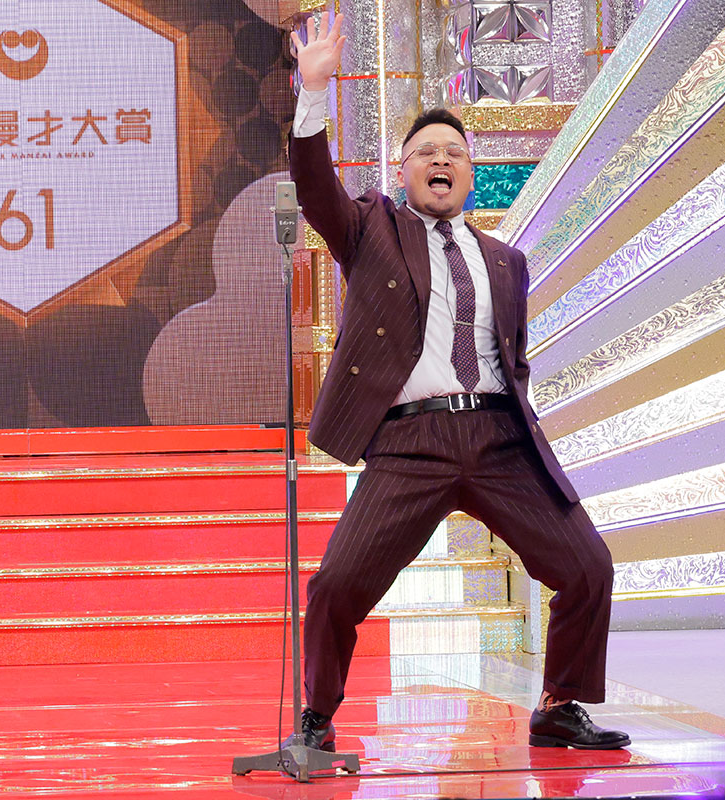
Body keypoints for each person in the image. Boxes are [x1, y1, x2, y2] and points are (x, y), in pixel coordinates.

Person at [287, 16, 629, 751]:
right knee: (336, 585)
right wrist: (312, 92)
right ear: (403, 173)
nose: (440, 160)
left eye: (454, 153)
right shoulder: (372, 230)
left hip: (499, 438)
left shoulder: (506, 261)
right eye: (426, 153)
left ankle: (559, 705)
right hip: (411, 441)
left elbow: (513, 356)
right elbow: (315, 190)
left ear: (469, 176)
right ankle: (317, 718)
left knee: (588, 567)